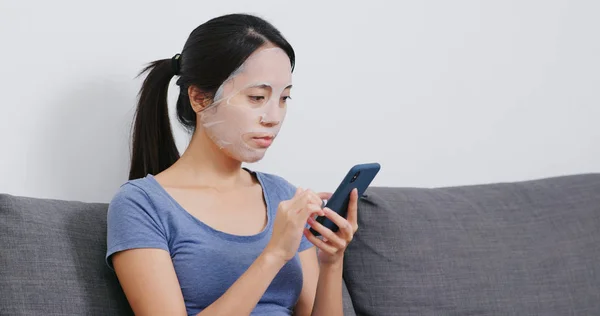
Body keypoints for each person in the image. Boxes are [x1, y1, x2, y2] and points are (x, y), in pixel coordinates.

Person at [106, 13, 359, 316]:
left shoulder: (282, 194)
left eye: (283, 98)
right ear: (199, 98)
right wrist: (274, 253)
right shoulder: (141, 204)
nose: (273, 117)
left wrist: (332, 261)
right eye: (256, 97)